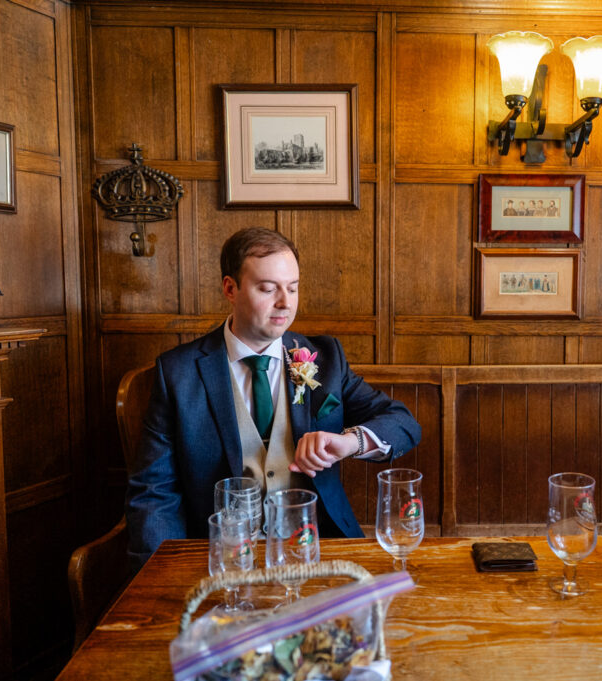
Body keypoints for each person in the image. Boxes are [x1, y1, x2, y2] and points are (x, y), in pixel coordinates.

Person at [125, 227, 422, 566]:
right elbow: (154, 493)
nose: (285, 302)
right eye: (268, 289)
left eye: (292, 288)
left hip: (319, 549)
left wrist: (350, 442)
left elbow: (404, 423)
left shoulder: (325, 358)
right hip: (223, 557)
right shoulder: (177, 372)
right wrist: (162, 573)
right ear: (230, 289)